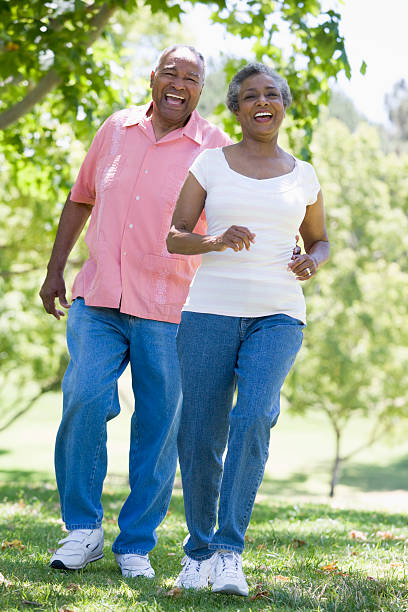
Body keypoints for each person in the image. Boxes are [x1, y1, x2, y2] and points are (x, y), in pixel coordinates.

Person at [39, 45, 231, 578]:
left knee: (159, 426)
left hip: (170, 309)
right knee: (82, 398)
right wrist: (54, 270)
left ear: (200, 90)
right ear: (152, 77)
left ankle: (135, 544)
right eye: (170, 72)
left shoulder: (215, 147)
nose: (178, 84)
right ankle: (82, 529)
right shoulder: (116, 128)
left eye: (191, 77)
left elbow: (227, 228)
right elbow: (81, 198)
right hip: (98, 296)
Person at [166, 62, 330, 596]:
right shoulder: (210, 165)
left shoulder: (303, 173)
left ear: (283, 105)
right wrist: (214, 241)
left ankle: (230, 551)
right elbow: (174, 236)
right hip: (209, 310)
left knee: (255, 415)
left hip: (279, 312)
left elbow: (321, 239)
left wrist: (314, 261)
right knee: (200, 433)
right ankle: (198, 554)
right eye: (251, 96)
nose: (264, 103)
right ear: (235, 109)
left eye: (273, 95)